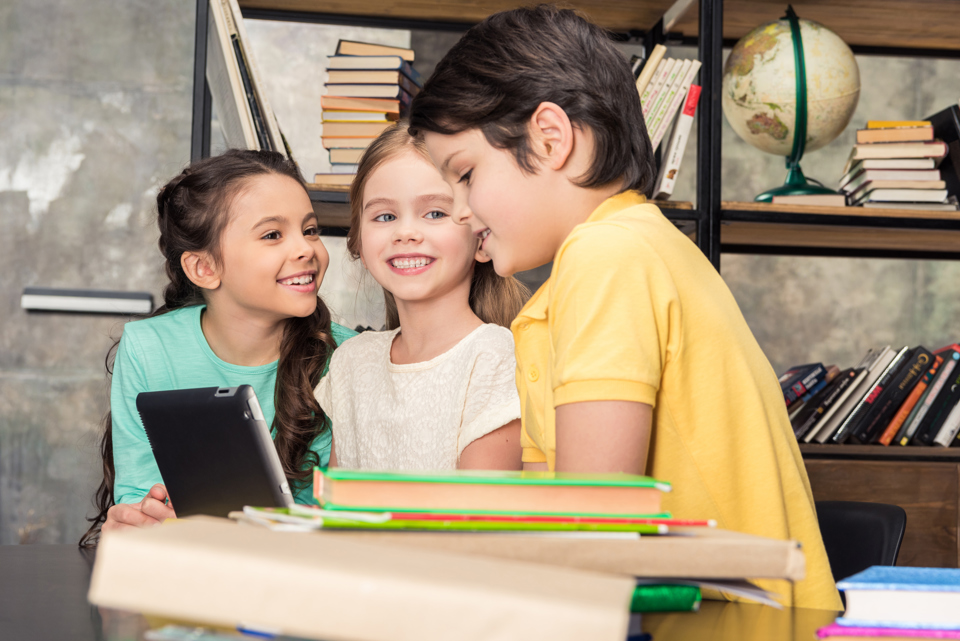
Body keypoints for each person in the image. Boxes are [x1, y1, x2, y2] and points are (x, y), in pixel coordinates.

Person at [408, 4, 841, 610]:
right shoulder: (611, 260)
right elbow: (552, 520)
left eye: (465, 173)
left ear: (550, 139)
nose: (457, 209)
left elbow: (594, 525)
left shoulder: (608, 255)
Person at [80, 149, 355, 545]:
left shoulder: (348, 357)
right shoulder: (148, 347)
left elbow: (345, 518)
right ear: (204, 268)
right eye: (273, 235)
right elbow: (137, 495)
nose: (306, 249)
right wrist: (144, 517)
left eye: (310, 230)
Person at [314, 122, 528, 471]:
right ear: (359, 245)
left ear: (482, 239)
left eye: (435, 213)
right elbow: (336, 502)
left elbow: (478, 516)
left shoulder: (494, 357)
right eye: (385, 216)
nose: (406, 232)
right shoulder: (350, 362)